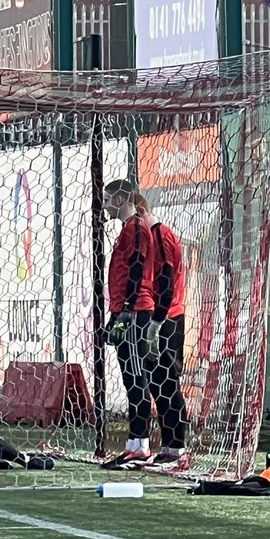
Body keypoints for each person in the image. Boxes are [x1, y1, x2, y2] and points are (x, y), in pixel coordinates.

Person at [102, 179, 158, 470]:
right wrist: (115, 316)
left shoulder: (136, 228)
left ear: (120, 200)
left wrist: (125, 308)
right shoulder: (128, 229)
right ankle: (134, 444)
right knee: (130, 378)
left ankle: (141, 445)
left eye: (107, 200)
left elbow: (137, 267)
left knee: (137, 378)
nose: (105, 206)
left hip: (136, 311)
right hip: (126, 310)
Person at [142, 206, 189, 470]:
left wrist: (157, 322)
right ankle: (169, 448)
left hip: (168, 318)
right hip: (162, 316)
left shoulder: (160, 235)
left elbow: (166, 282)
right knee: (158, 383)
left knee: (168, 382)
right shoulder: (153, 236)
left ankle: (178, 450)